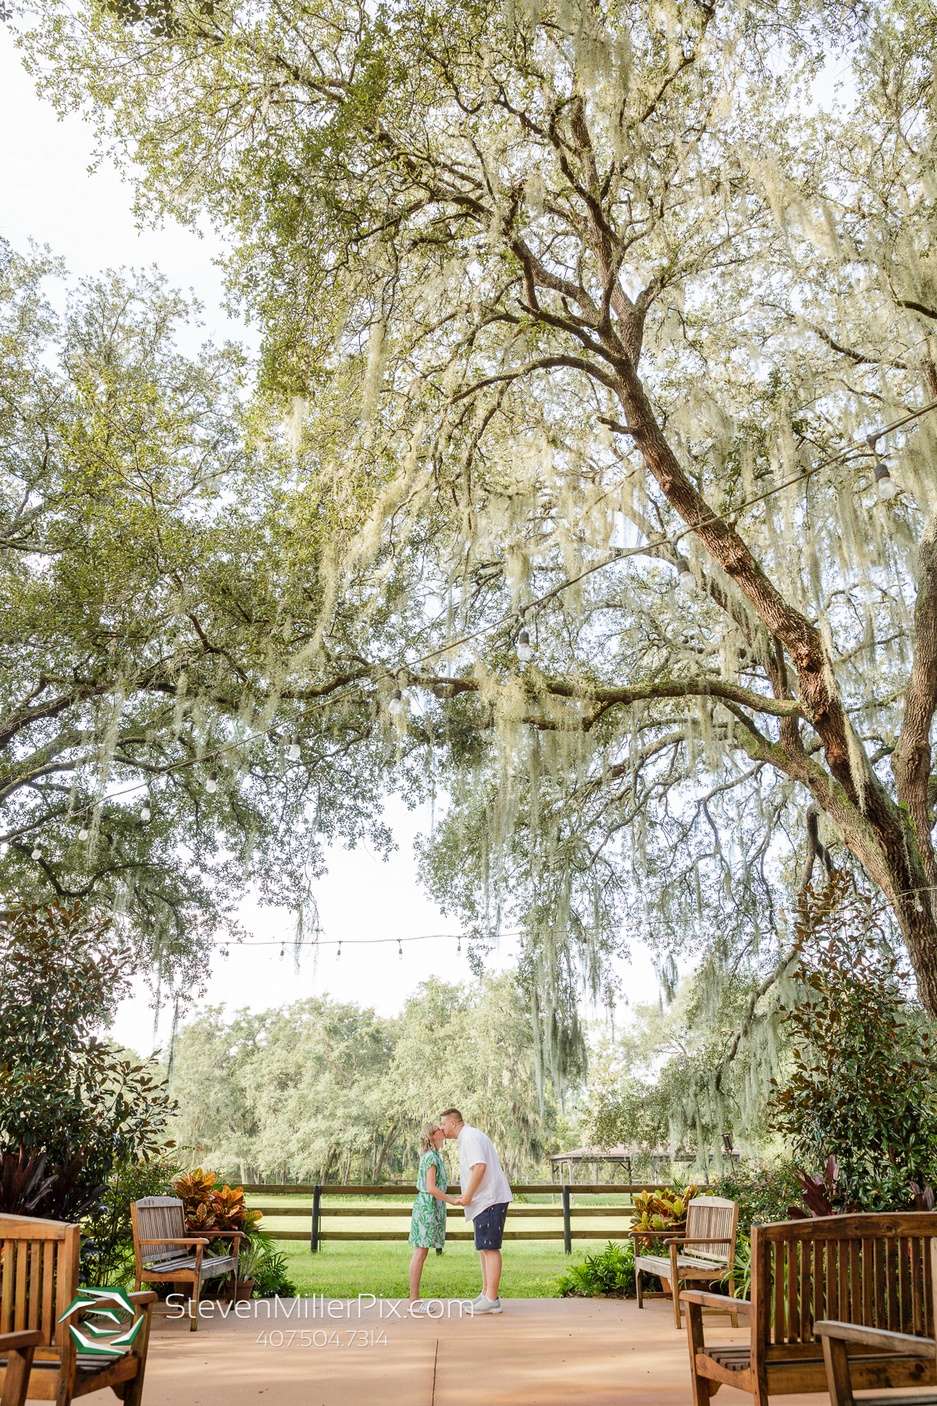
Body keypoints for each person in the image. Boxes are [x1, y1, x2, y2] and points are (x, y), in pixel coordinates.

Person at [438, 1107, 512, 1315]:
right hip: (483, 1202)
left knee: (490, 1248)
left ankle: (492, 1299)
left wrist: (468, 1195)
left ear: (453, 1123)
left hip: (489, 1200)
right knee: (483, 1248)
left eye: (443, 1124)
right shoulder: (469, 1138)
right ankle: (487, 1293)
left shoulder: (469, 1138)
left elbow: (480, 1167)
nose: (442, 1128)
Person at [408, 1122, 458, 1309]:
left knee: (421, 1252)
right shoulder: (430, 1158)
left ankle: (414, 1299)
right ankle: (413, 1300)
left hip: (432, 1208)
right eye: (438, 1129)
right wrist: (451, 1200)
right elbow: (431, 1187)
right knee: (420, 1252)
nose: (441, 1130)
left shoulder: (435, 1156)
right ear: (432, 1136)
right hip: (427, 1208)